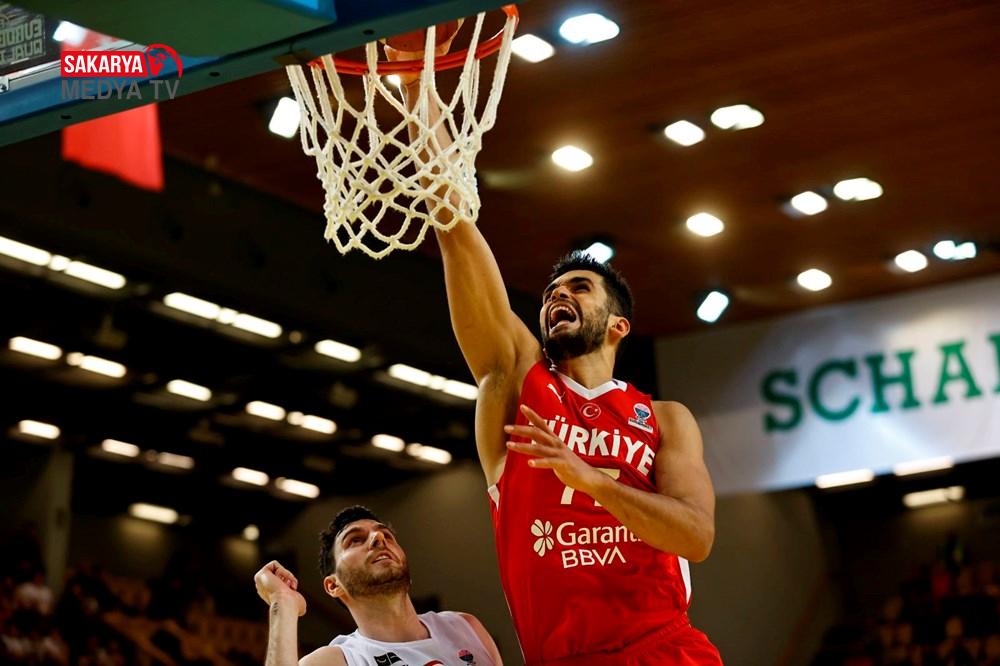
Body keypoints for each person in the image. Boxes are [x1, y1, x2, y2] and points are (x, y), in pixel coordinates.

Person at [385, 39, 723, 665]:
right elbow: (455, 226)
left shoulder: (666, 419)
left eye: (579, 288)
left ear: (619, 325)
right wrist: (415, 90)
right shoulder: (517, 379)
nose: (558, 296)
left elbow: (696, 536)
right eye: (551, 292)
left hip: (665, 649)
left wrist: (591, 479)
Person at [254, 505, 502, 666]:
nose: (378, 538)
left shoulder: (464, 627)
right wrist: (282, 602)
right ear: (333, 585)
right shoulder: (340, 660)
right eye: (355, 540)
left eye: (387, 535)